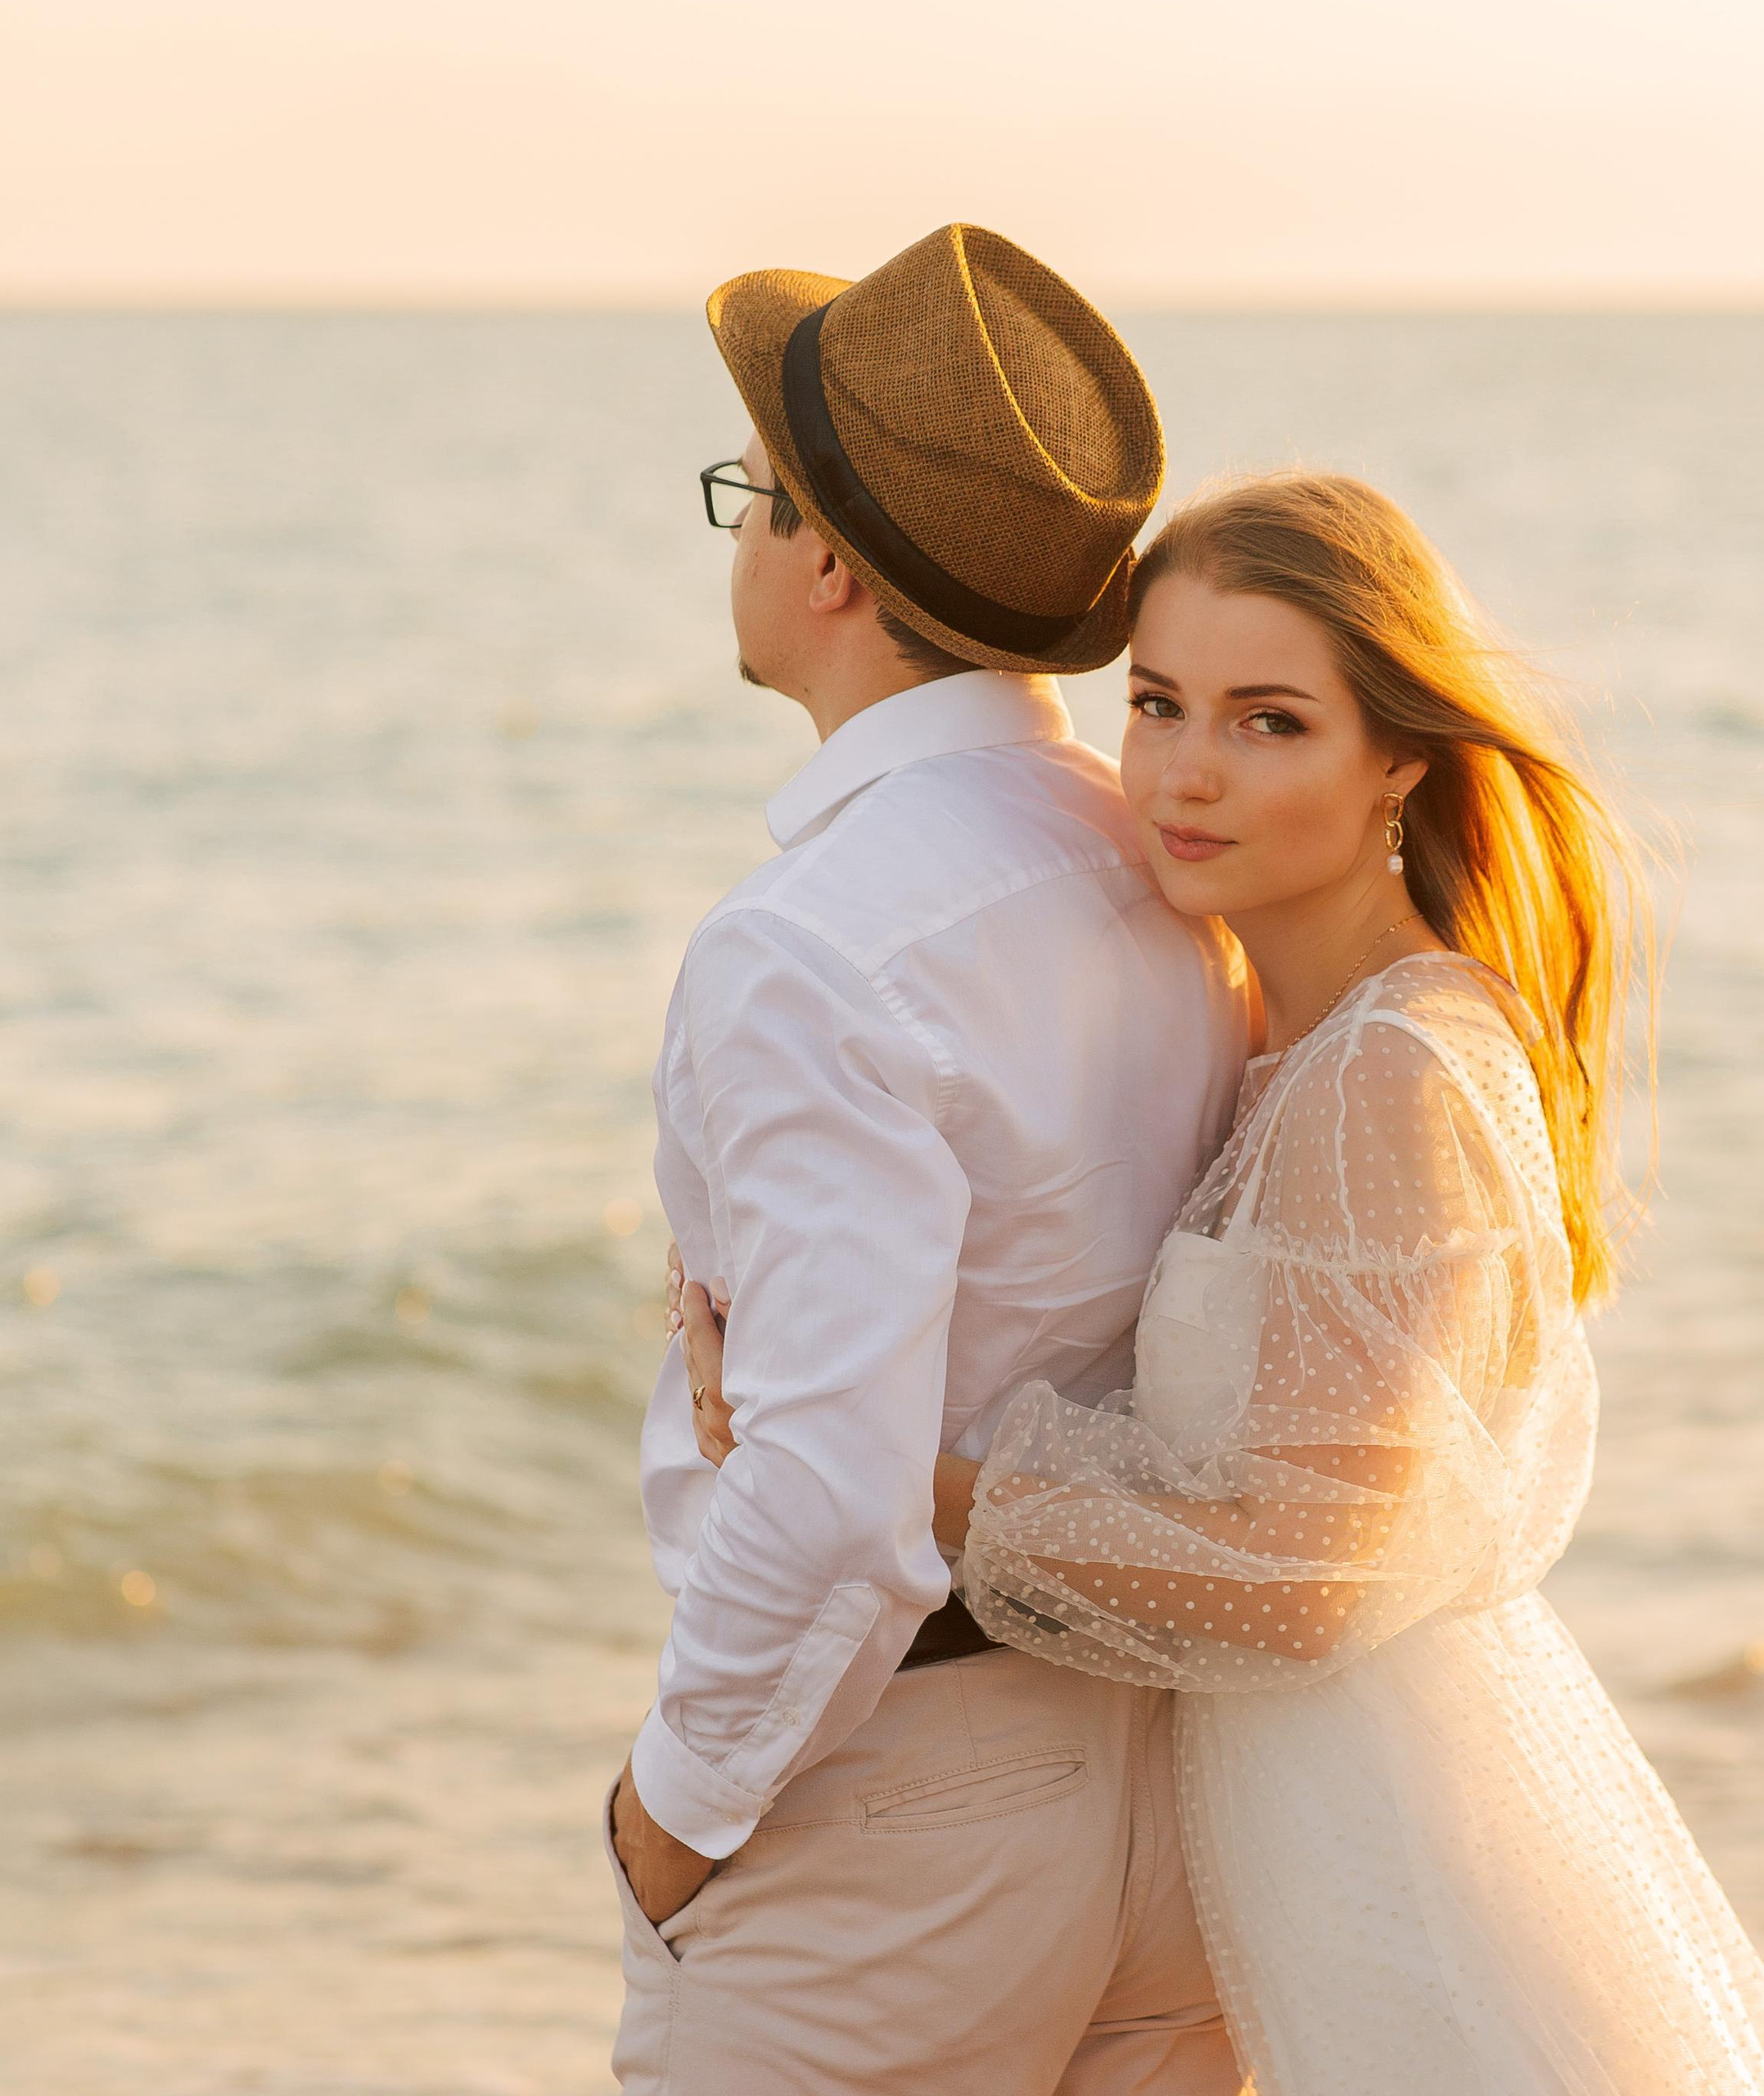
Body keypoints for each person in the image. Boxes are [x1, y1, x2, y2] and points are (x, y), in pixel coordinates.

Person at [680, 473, 1764, 2092]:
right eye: (1154, 703)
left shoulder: (1387, 1069)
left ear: (1395, 761)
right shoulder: (1272, 1020)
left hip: (1379, 1823)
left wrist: (857, 1465)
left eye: (1267, 721)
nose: (1181, 773)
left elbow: (1307, 1569)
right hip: (1249, 1817)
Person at [608, 224, 1248, 2094]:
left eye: (751, 496)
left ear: (821, 557)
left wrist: (674, 1811)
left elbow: (828, 1481)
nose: (738, 539)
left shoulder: (812, 941)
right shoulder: (1153, 867)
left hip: (900, 1807)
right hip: (1165, 1775)